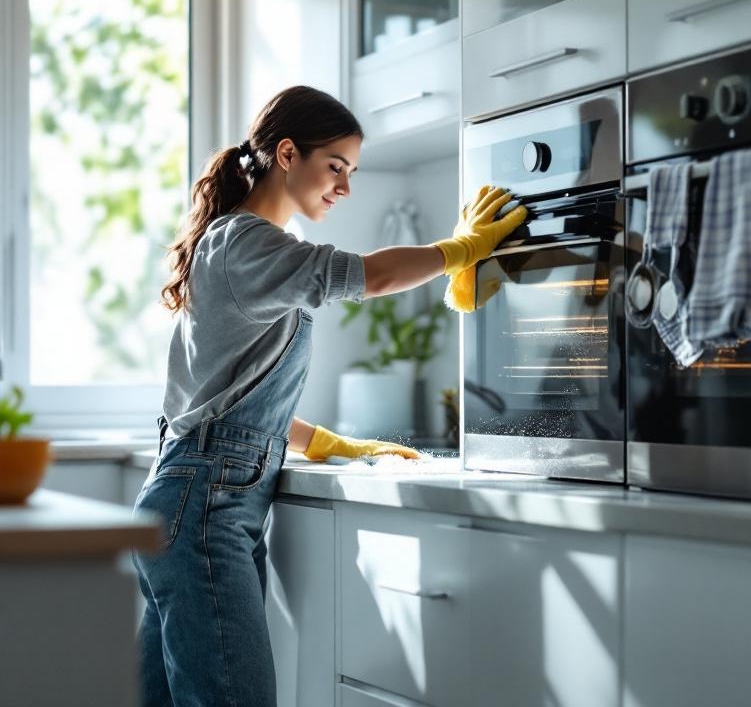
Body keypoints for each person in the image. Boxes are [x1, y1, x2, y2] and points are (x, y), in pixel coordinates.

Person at [132, 85, 525, 707]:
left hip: (184, 505)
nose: (344, 186)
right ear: (287, 153)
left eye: (352, 172)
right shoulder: (248, 242)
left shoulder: (233, 245)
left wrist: (321, 440)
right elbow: (372, 275)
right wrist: (462, 250)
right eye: (335, 166)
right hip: (204, 512)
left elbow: (221, 394)